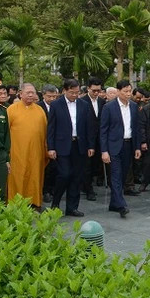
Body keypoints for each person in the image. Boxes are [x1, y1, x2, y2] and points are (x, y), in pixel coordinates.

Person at [47, 79, 95, 217]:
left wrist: (91, 145)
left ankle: (72, 207)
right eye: (72, 92)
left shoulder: (84, 105)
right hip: (62, 145)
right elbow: (51, 128)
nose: (75, 95)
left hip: (79, 145)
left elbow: (89, 127)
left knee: (76, 177)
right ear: (64, 91)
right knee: (64, 174)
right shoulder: (56, 105)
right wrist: (51, 147)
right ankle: (55, 203)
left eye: (77, 92)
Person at [100, 80, 141, 218]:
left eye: (130, 91)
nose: (128, 94)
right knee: (116, 175)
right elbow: (103, 130)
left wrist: (137, 147)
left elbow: (136, 129)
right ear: (118, 92)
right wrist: (104, 150)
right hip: (114, 146)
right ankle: (121, 205)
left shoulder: (134, 107)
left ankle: (114, 203)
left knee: (123, 175)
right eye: (125, 91)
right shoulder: (109, 107)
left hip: (128, 145)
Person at [6, 83, 48, 209]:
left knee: (35, 177)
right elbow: (5, 132)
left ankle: (34, 202)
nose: (31, 95)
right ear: (20, 93)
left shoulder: (40, 110)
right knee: (17, 177)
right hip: (17, 151)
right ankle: (15, 203)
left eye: (33, 92)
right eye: (28, 92)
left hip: (36, 151)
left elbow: (45, 132)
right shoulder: (12, 109)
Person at [81, 77, 105, 198]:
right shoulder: (82, 101)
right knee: (87, 165)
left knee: (97, 163)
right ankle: (87, 189)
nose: (96, 93)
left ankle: (95, 182)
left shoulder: (102, 102)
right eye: (94, 90)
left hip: (99, 137)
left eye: (98, 90)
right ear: (88, 88)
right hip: (86, 138)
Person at [39, 84, 60, 202]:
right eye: (49, 96)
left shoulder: (58, 106)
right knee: (45, 169)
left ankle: (52, 190)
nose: (52, 99)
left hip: (56, 142)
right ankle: (44, 191)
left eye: (54, 96)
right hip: (42, 141)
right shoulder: (38, 107)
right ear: (43, 95)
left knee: (54, 168)